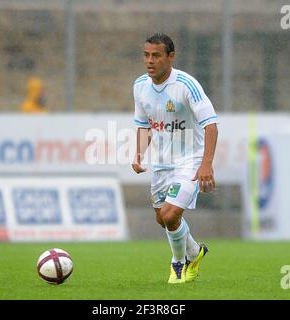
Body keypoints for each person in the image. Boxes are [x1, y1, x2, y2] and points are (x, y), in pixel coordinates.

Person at [131, 33, 219, 284]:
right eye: (146, 55)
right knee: (163, 219)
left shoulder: (186, 85)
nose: (150, 61)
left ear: (171, 57)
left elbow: (211, 124)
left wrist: (206, 164)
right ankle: (195, 252)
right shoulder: (140, 86)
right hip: (161, 163)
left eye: (156, 55)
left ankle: (178, 264)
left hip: (189, 162)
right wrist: (139, 154)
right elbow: (143, 124)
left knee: (170, 216)